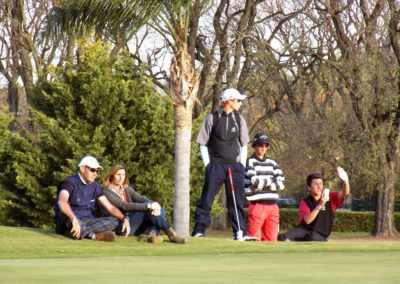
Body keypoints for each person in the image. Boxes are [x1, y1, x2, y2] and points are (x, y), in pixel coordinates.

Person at [192, 87, 250, 240]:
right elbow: (202, 143)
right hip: (215, 166)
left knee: (235, 200)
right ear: (229, 100)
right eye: (238, 100)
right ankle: (199, 231)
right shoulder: (212, 118)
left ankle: (239, 232)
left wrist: (242, 165)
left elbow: (244, 144)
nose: (240, 103)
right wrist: (208, 165)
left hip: (234, 167)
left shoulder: (239, 120)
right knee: (206, 199)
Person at [102, 163, 185, 244]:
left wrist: (155, 205)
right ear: (112, 176)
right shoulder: (106, 191)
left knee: (159, 209)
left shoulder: (126, 189)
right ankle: (170, 234)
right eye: (118, 175)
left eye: (123, 175)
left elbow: (141, 199)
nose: (121, 178)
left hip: (134, 225)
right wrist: (149, 206)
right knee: (144, 209)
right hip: (122, 227)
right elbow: (125, 206)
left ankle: (152, 234)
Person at [54, 155, 130, 241]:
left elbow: (110, 207)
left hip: (88, 221)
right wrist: (74, 219)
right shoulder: (69, 183)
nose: (95, 173)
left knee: (115, 221)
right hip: (70, 219)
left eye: (97, 171)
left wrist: (124, 219)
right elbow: (62, 202)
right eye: (92, 170)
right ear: (82, 168)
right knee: (70, 220)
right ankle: (94, 236)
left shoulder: (95, 186)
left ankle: (76, 233)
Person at [278, 167, 350, 242]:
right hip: (304, 230)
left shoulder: (330, 197)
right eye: (316, 184)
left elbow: (345, 193)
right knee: (282, 237)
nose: (319, 186)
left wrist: (346, 181)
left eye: (320, 184)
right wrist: (320, 205)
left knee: (312, 238)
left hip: (319, 234)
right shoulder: (305, 202)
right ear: (309, 188)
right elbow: (308, 221)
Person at [244, 132, 285, 241]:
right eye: (261, 145)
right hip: (257, 205)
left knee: (272, 240)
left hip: (273, 206)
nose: (263, 148)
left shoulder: (272, 163)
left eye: (266, 145)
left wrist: (262, 184)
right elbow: (255, 181)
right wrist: (271, 183)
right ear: (255, 145)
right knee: (254, 238)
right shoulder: (249, 162)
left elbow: (281, 184)